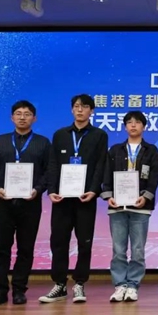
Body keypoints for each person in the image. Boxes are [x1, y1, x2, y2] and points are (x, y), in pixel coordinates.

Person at [39, 94, 109, 304]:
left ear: (91, 111)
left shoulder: (99, 135)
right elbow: (53, 164)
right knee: (59, 241)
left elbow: (100, 165)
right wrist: (51, 190)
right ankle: (59, 284)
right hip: (62, 198)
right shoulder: (60, 135)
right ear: (72, 110)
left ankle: (79, 283)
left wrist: (94, 190)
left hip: (86, 198)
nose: (80, 110)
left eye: (85, 106)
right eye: (77, 106)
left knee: (84, 242)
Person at [0, 100, 51, 306]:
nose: (22, 117)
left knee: (26, 248)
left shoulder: (43, 143)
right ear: (12, 117)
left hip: (30, 203)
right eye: (18, 113)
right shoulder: (0, 141)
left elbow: (49, 172)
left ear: (34, 118)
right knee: (1, 248)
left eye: (27, 114)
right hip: (3, 202)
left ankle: (19, 290)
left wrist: (37, 190)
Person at [101, 111, 158, 302]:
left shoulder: (151, 150)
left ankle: (133, 285)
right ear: (125, 126)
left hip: (140, 206)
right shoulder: (115, 150)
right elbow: (106, 174)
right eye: (129, 122)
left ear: (144, 126)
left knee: (138, 250)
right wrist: (108, 196)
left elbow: (154, 178)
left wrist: (146, 196)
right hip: (117, 206)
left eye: (137, 122)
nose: (133, 125)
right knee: (118, 249)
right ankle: (120, 285)